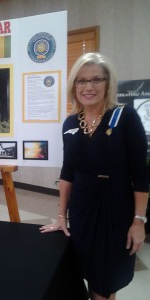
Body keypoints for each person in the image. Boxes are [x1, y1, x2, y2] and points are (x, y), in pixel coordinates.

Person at [39, 52, 149, 300]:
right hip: (82, 210)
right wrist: (61, 216)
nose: (88, 87)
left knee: (104, 283)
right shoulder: (69, 123)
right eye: (81, 80)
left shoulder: (125, 118)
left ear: (108, 83)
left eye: (96, 79)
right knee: (85, 271)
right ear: (73, 86)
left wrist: (139, 221)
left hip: (115, 212)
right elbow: (68, 172)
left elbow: (141, 174)